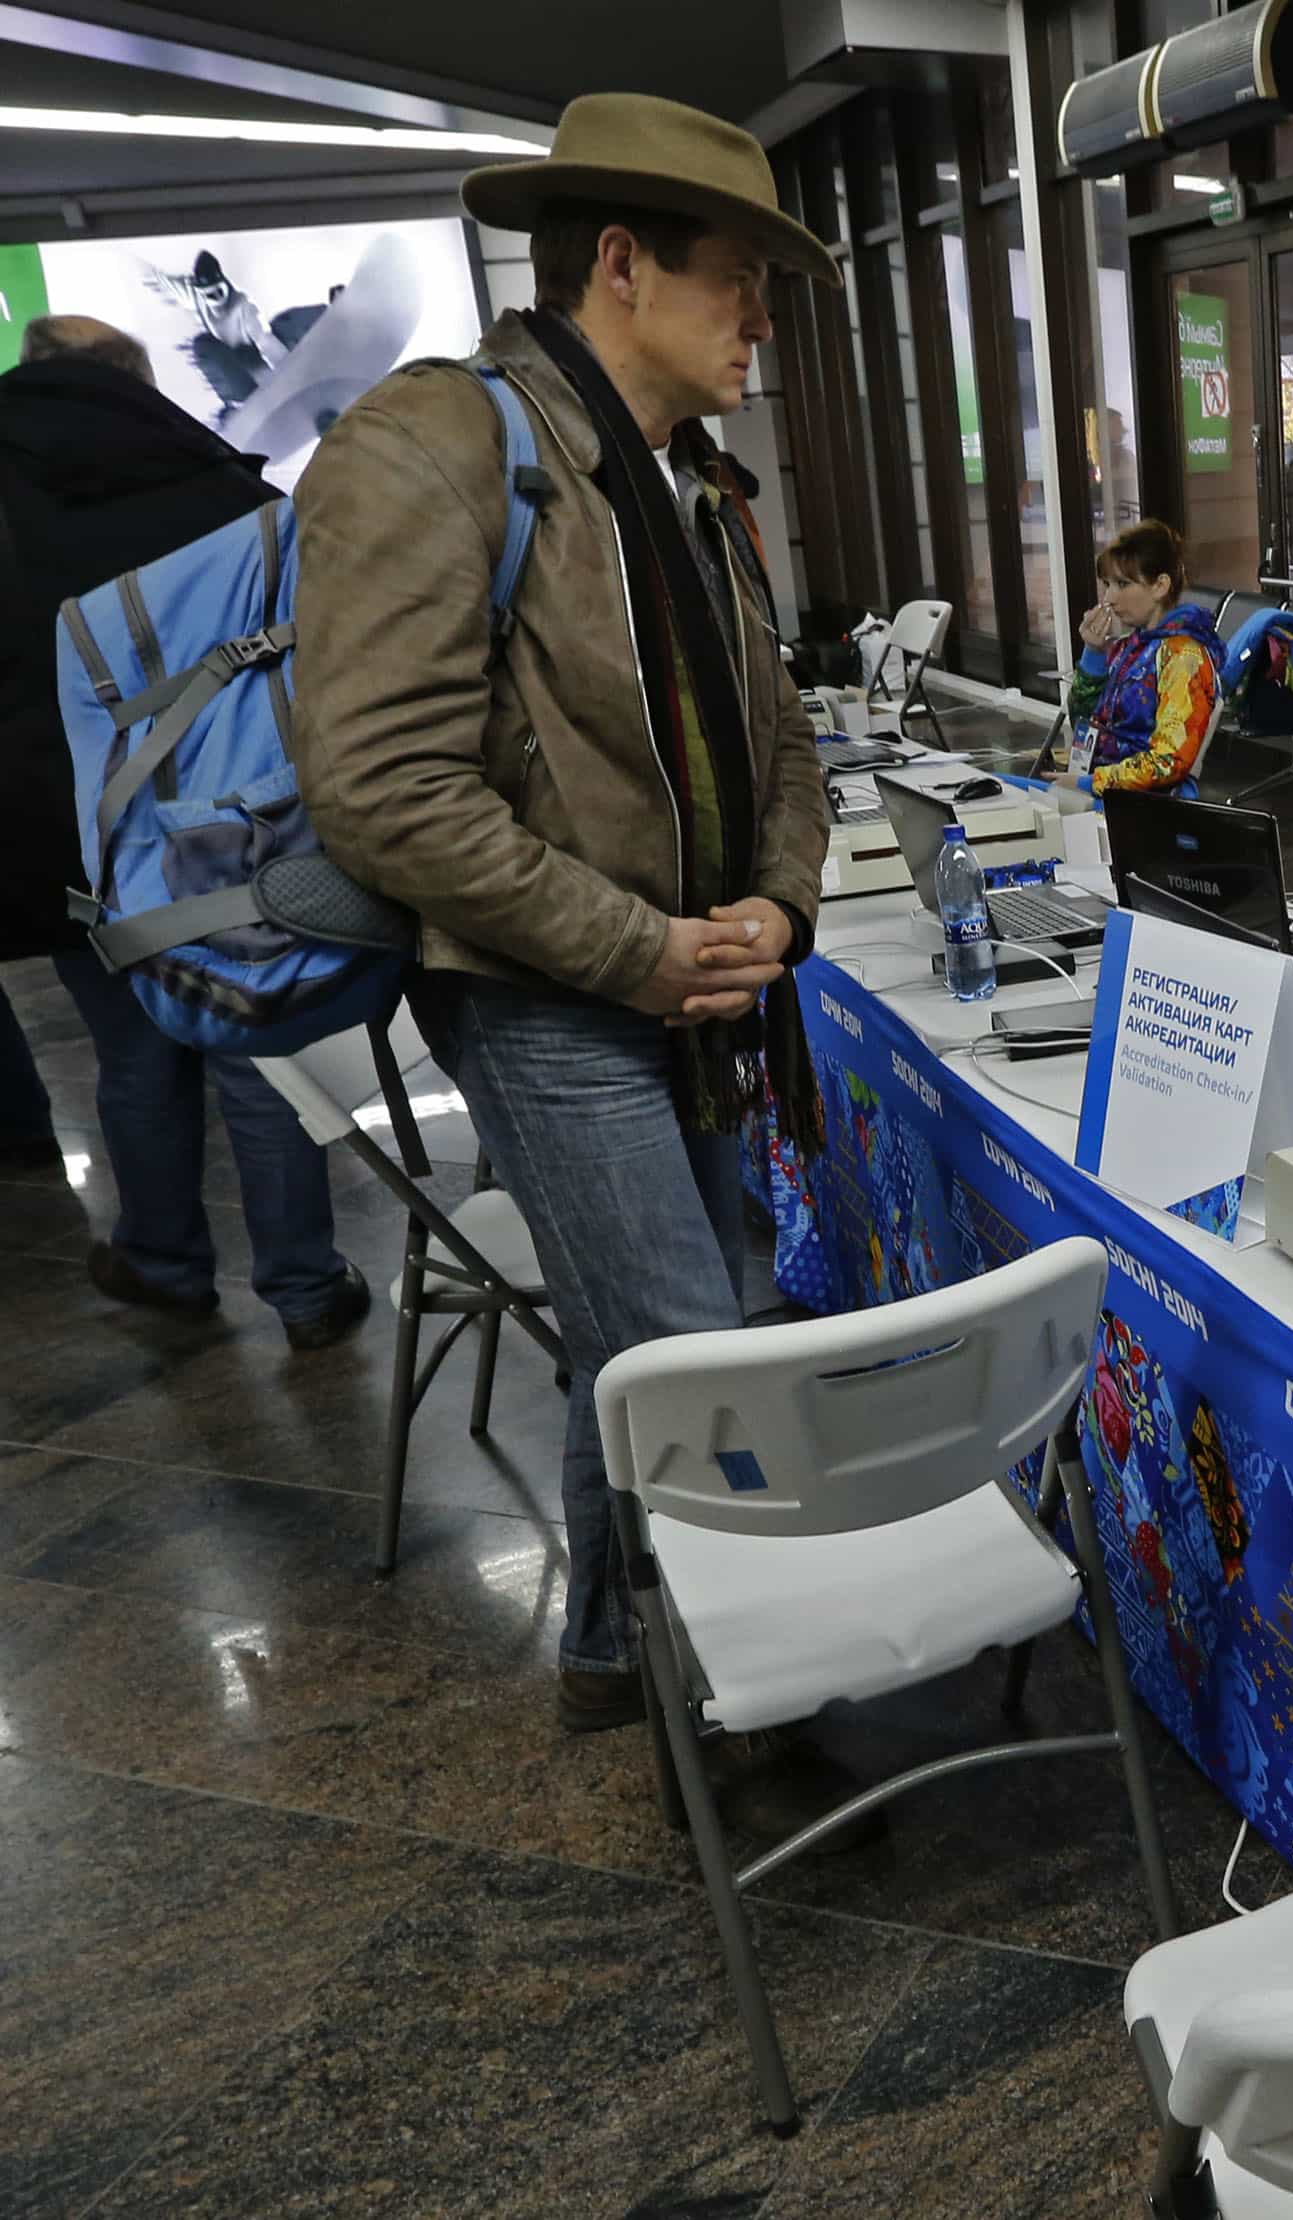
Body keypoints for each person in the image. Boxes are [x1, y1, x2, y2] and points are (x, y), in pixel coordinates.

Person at [288, 95, 836, 1740]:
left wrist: (775, 912)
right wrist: (638, 949)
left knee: (680, 1326)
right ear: (620, 262)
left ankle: (614, 1647)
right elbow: (382, 787)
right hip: (541, 997)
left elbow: (786, 740)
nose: (759, 318)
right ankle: (735, 1714)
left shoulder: (691, 483)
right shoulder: (431, 445)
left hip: (701, 990)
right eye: (739, 277)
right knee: (692, 1354)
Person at [0, 313, 367, 1344]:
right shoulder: (217, 476)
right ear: (140, 382)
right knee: (258, 1040)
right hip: (238, 814)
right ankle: (305, 1288)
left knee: (133, 1054)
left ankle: (163, 1259)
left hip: (60, 828)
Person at [1064, 519, 1220, 796]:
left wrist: (1090, 783)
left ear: (1160, 586)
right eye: (1106, 584)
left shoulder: (1183, 656)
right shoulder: (1129, 647)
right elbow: (1083, 723)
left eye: (1122, 584)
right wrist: (1094, 654)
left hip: (1143, 807)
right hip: (1104, 790)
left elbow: (1169, 760)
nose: (1109, 598)